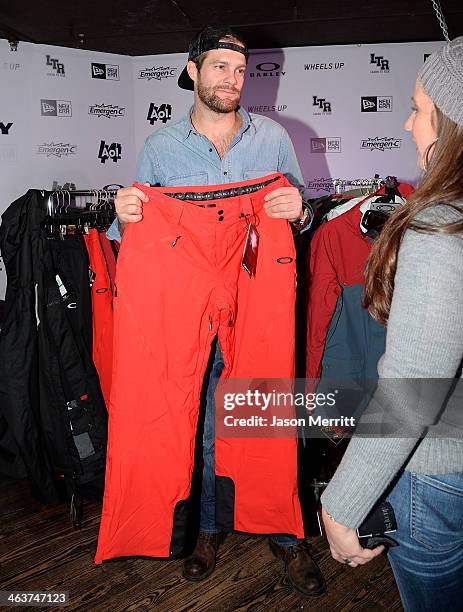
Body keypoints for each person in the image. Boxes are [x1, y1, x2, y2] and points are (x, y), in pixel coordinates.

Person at [108, 26, 324, 597]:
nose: (232, 79)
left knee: (266, 403)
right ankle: (207, 526)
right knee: (196, 412)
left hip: (256, 277)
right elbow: (130, 231)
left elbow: (300, 214)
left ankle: (284, 528)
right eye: (221, 67)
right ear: (193, 70)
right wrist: (125, 211)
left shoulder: (273, 137)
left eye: (240, 70)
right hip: (184, 281)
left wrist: (299, 209)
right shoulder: (160, 146)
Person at [320, 37, 463, 610]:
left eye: (417, 109)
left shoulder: (441, 227)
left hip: (438, 477)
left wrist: (343, 503)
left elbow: (411, 386)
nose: (406, 125)